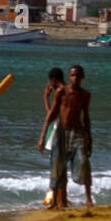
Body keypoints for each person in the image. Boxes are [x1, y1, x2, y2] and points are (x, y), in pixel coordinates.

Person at [38, 64, 93, 212]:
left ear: (82, 77)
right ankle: (54, 202)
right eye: (73, 75)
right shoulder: (62, 92)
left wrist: (90, 139)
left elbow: (86, 117)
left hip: (78, 132)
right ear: (69, 77)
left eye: (78, 75)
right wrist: (42, 136)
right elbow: (52, 114)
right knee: (57, 166)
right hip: (62, 132)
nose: (75, 78)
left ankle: (88, 198)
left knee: (83, 162)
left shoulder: (85, 95)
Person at [41, 67, 66, 207]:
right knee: (61, 168)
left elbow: (51, 114)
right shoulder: (67, 90)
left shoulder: (59, 92)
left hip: (57, 132)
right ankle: (61, 199)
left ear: (53, 80)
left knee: (55, 166)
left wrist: (45, 97)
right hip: (64, 132)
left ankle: (55, 200)